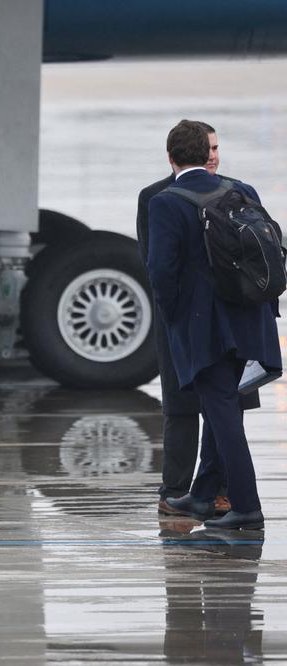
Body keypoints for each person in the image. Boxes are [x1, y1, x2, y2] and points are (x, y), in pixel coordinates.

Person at [146, 119, 281, 530]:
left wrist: (173, 319)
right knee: (224, 405)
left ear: (170, 157)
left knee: (222, 415)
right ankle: (204, 494)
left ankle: (247, 506)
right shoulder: (242, 189)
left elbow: (161, 271)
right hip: (252, 319)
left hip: (205, 328)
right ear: (207, 153)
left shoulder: (165, 203)